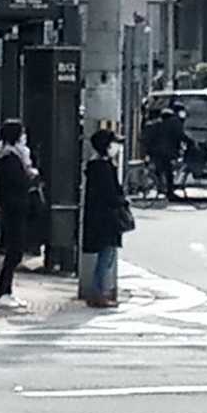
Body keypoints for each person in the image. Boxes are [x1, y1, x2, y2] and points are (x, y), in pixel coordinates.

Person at [0, 118, 35, 310]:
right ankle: (1, 293)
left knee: (15, 252)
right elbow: (17, 184)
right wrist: (30, 176)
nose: (24, 137)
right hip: (14, 210)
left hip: (13, 209)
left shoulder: (12, 157)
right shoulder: (10, 158)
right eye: (22, 133)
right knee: (14, 252)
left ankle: (6, 291)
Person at [83, 126, 129, 308]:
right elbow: (110, 195)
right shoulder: (103, 168)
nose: (116, 147)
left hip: (100, 217)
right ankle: (98, 292)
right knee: (106, 256)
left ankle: (99, 291)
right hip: (106, 218)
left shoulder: (97, 166)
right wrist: (122, 201)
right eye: (113, 143)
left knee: (106, 256)